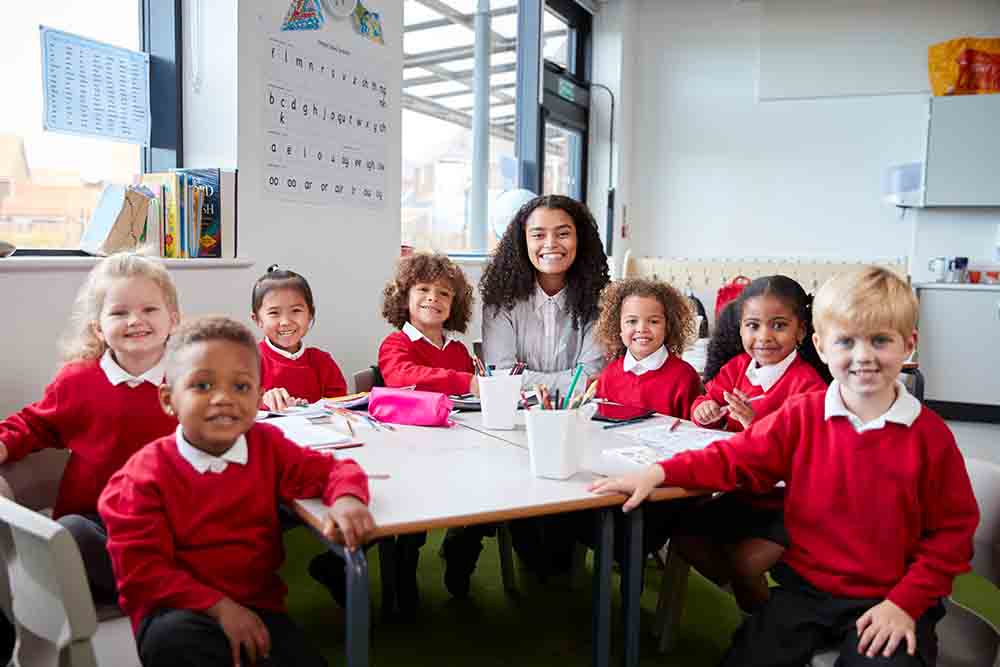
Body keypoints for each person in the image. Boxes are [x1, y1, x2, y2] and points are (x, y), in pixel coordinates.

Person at [592, 266, 979, 667]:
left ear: (908, 345)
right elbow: (735, 457)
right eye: (846, 341)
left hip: (893, 599)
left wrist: (905, 604)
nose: (863, 356)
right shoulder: (803, 415)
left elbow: (953, 536)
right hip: (808, 594)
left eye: (880, 341)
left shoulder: (929, 436)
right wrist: (659, 472)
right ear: (822, 345)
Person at [99, 316, 374, 667]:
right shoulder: (141, 478)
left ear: (259, 396)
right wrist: (220, 609)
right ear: (169, 400)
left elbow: (333, 469)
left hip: (259, 609)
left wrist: (347, 498)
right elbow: (144, 575)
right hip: (178, 612)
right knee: (174, 641)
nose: (223, 399)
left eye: (241, 387)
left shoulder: (265, 445)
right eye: (202, 386)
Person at [443, 195, 612, 596]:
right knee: (499, 489)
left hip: (574, 425)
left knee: (551, 566)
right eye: (538, 234)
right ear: (522, 241)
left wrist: (530, 380)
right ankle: (463, 537)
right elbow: (501, 372)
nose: (550, 243)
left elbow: (591, 375)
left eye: (563, 233)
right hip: (512, 423)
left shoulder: (600, 299)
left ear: (580, 239)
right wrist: (559, 380)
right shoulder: (502, 297)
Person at [0, 252, 180, 604]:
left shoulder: (193, 380)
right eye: (119, 312)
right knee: (69, 535)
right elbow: (34, 424)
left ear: (173, 319)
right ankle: (163, 589)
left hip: (168, 525)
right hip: (95, 522)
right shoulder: (78, 380)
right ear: (98, 327)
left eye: (149, 310)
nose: (135, 321)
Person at [679, 275, 830, 611]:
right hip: (741, 493)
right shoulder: (736, 369)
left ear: (801, 331)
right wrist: (703, 410)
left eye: (778, 325)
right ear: (741, 330)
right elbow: (708, 400)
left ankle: (769, 624)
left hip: (790, 505)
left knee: (745, 564)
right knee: (684, 537)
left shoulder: (808, 386)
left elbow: (811, 454)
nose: (764, 337)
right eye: (753, 325)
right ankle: (757, 609)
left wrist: (756, 425)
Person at [593, 277, 702, 419]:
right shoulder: (608, 376)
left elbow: (696, 432)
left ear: (667, 327)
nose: (642, 329)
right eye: (632, 321)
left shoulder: (685, 377)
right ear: (618, 327)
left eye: (653, 321)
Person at [251, 265, 347, 411]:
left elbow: (340, 406)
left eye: (296, 311)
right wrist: (263, 402)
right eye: (274, 313)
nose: (286, 322)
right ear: (257, 319)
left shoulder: (322, 362)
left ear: (310, 315)